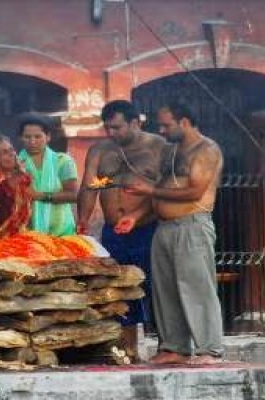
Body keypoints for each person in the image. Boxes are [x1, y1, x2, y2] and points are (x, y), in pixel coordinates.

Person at [124, 102, 225, 365]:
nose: (161, 129)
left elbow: (194, 191)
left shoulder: (207, 150)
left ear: (184, 122)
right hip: (164, 227)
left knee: (196, 288)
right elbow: (159, 187)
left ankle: (209, 349)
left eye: (166, 125)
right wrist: (135, 216)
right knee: (165, 289)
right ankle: (174, 347)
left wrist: (149, 191)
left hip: (191, 225)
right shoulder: (170, 151)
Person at [77, 100, 170, 362]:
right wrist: (83, 219)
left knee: (154, 288)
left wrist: (137, 214)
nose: (112, 133)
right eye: (107, 128)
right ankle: (127, 351)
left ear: (135, 123)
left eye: (117, 127)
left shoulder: (158, 148)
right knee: (118, 289)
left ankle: (167, 348)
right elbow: (91, 186)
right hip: (113, 232)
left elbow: (165, 190)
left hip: (148, 228)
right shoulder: (101, 150)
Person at [18, 115, 78, 236]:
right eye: (27, 137)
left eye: (38, 136)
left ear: (48, 137)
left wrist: (39, 196)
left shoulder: (63, 161)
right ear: (20, 138)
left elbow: (74, 195)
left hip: (62, 232)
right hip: (26, 232)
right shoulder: (16, 164)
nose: (32, 141)